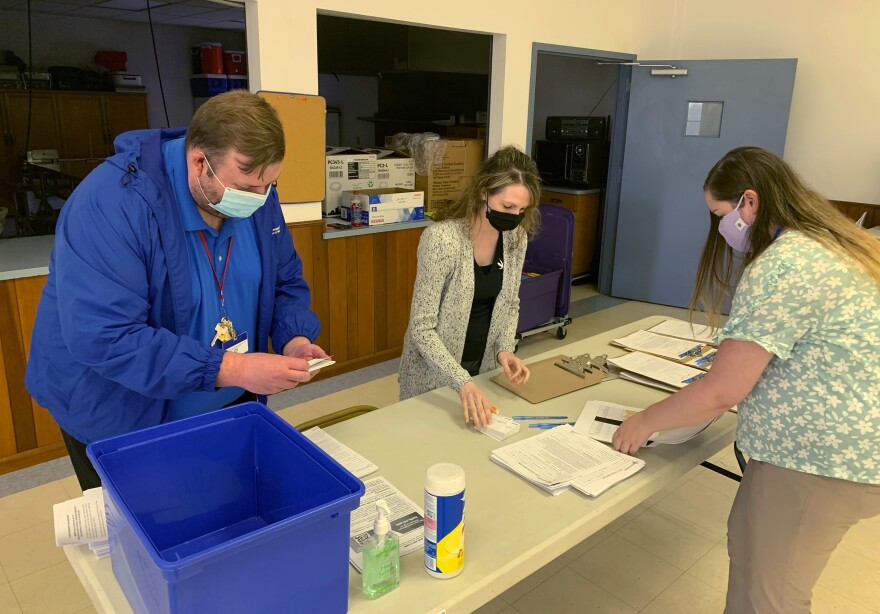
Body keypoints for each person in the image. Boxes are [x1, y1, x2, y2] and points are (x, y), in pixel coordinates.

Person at [612, 146, 880, 613]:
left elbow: (723, 389)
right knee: (749, 550)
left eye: (720, 213)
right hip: (839, 450)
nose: (720, 228)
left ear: (749, 203)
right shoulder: (833, 243)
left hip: (817, 459)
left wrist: (645, 422)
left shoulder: (785, 263)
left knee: (770, 597)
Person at [26, 91, 330, 490]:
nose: (259, 201)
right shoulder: (112, 203)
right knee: (145, 530)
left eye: (269, 186)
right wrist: (234, 368)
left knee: (222, 508)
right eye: (245, 187)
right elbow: (107, 338)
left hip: (224, 397)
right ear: (199, 161)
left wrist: (294, 337)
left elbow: (284, 280)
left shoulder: (254, 195)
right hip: (123, 412)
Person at [398, 145, 540, 428]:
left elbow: (510, 302)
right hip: (435, 378)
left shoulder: (515, 240)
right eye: (507, 207)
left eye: (521, 210)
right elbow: (422, 328)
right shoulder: (441, 240)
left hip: (482, 373)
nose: (514, 216)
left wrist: (504, 350)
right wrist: (461, 380)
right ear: (484, 193)